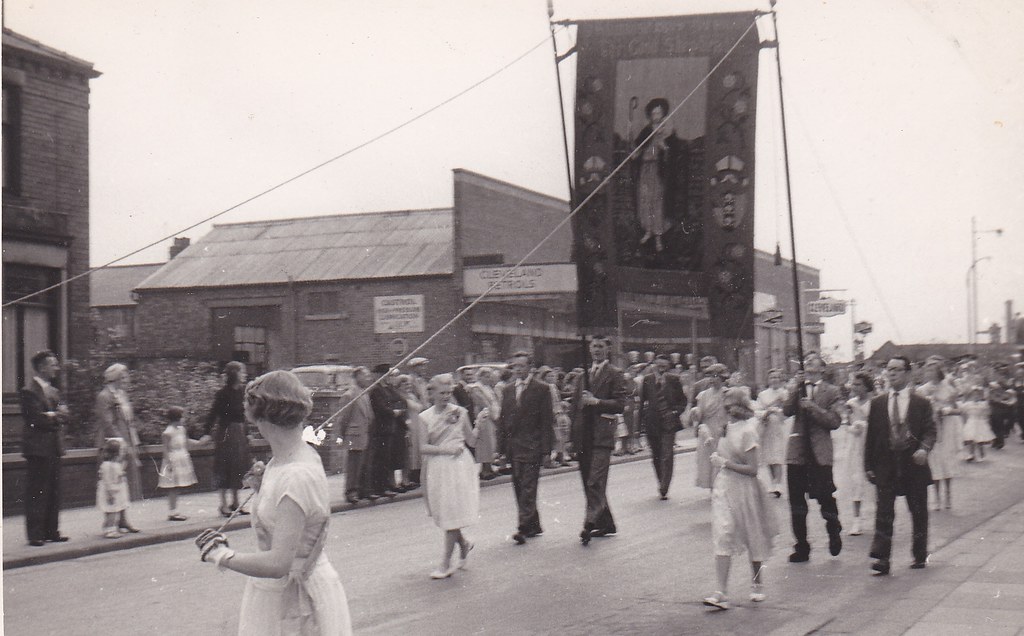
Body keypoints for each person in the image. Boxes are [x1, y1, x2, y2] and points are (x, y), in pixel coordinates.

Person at [195, 369, 353, 634]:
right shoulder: (292, 457)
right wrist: (263, 488)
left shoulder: (295, 474)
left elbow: (278, 564)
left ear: (262, 418)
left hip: (295, 600)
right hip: (282, 592)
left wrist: (221, 555)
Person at [702, 388, 777, 610]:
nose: (727, 409)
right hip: (724, 487)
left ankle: (757, 584)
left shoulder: (748, 431)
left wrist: (724, 463)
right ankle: (721, 592)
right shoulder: (725, 428)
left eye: (731, 405)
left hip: (745, 488)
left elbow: (753, 469)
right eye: (725, 405)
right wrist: (708, 442)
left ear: (741, 407)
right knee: (723, 533)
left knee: (752, 535)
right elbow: (721, 453)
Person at [865, 356, 936, 575]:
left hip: (913, 463)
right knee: (884, 511)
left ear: (908, 373)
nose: (892, 373)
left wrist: (924, 449)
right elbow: (871, 437)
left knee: (918, 510)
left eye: (897, 369)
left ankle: (919, 554)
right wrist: (868, 465)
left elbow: (930, 430)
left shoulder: (921, 403)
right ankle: (882, 559)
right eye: (889, 369)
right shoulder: (878, 403)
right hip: (886, 464)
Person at [782, 353, 844, 563]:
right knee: (797, 502)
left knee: (825, 497)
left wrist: (814, 407)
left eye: (812, 363)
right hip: (798, 452)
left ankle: (833, 531)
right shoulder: (797, 388)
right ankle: (801, 546)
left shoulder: (833, 391)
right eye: (806, 363)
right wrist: (794, 389)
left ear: (822, 369)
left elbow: (835, 421)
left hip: (819, 454)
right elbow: (787, 410)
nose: (808, 365)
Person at [417, 374, 479, 578]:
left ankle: (445, 564)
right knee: (444, 512)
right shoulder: (424, 417)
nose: (446, 397)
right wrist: (446, 450)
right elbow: (423, 447)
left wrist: (479, 424)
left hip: (460, 467)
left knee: (452, 512)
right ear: (432, 393)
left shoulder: (460, 412)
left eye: (449, 393)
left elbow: (471, 440)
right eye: (441, 393)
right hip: (438, 466)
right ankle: (464, 543)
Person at [570, 335, 628, 545]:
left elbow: (620, 404)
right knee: (589, 482)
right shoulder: (581, 376)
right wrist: (571, 439)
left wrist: (596, 402)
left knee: (595, 480)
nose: (596, 350)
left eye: (600, 346)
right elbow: (575, 408)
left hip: (602, 435)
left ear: (607, 349)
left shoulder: (615, 374)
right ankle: (607, 523)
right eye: (593, 346)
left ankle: (589, 523)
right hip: (583, 436)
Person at [498, 352, 554, 545]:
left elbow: (547, 421)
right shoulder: (507, 390)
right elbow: (503, 421)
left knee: (528, 487)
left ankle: (522, 527)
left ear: (530, 367)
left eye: (521, 366)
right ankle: (533, 525)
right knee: (519, 486)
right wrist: (501, 451)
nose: (518, 369)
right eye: (514, 366)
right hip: (514, 447)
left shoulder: (542, 389)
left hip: (533, 446)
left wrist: (547, 450)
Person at [21, 350, 71, 546]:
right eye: (53, 365)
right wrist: (54, 415)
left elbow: (64, 415)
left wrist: (52, 415)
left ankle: (52, 530)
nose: (56, 368)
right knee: (37, 490)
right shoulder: (29, 391)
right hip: (38, 448)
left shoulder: (54, 391)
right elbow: (35, 419)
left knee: (53, 490)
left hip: (53, 447)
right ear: (42, 367)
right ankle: (35, 534)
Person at [94, 363, 144, 521]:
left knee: (124, 482)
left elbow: (129, 421)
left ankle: (123, 520)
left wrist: (134, 442)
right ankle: (110, 522)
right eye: (123, 377)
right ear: (114, 378)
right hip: (113, 443)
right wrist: (121, 443)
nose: (127, 380)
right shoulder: (104, 396)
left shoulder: (122, 395)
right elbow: (108, 423)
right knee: (113, 481)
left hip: (126, 438)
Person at [202, 361, 252, 517]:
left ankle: (236, 503)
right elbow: (213, 414)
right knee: (224, 466)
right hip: (225, 433)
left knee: (238, 467)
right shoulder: (222, 394)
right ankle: (223, 505)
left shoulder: (243, 393)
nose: (244, 375)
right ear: (234, 374)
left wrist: (248, 433)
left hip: (239, 433)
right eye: (241, 372)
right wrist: (206, 432)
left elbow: (245, 416)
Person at [638, 353, 687, 500]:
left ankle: (664, 487)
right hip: (652, 423)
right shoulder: (647, 380)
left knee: (667, 455)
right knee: (656, 456)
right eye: (659, 366)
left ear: (668, 366)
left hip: (669, 423)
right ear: (654, 365)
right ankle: (661, 481)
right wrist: (639, 427)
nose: (661, 369)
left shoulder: (674, 380)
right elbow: (642, 403)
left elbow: (682, 401)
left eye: (664, 366)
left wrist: (674, 412)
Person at [916, 356, 962, 511]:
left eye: (932, 369)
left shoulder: (949, 388)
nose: (929, 372)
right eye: (927, 370)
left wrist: (947, 410)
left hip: (947, 428)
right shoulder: (922, 390)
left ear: (939, 371)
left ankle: (948, 494)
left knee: (946, 461)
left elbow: (958, 409)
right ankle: (936, 497)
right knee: (934, 463)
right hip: (932, 430)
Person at [337, 367, 376, 503]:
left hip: (364, 433)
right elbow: (343, 418)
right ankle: (350, 491)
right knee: (353, 465)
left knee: (363, 464)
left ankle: (361, 490)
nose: (368, 378)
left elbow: (369, 414)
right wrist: (343, 435)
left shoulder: (364, 393)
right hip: (354, 435)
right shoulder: (349, 395)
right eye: (365, 376)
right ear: (357, 377)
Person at [842, 372, 874, 536]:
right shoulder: (850, 403)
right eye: (853, 384)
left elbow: (879, 425)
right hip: (855, 446)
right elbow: (846, 423)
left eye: (858, 384)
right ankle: (856, 520)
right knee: (856, 480)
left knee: (873, 481)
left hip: (871, 446)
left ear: (866, 386)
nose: (854, 387)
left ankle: (878, 517)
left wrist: (864, 425)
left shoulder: (874, 403)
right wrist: (852, 428)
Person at [369, 364, 406, 497]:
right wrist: (393, 412)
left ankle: (385, 485)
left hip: (389, 428)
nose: (389, 377)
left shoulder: (387, 389)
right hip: (381, 428)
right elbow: (380, 408)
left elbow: (399, 400)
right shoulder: (376, 390)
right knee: (380, 459)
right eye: (386, 374)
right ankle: (379, 487)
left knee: (386, 459)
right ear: (380, 375)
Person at [691, 363, 729, 491]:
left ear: (722, 377)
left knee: (722, 456)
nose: (712, 380)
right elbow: (700, 413)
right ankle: (713, 486)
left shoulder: (727, 393)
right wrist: (695, 413)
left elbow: (732, 412)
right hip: (708, 430)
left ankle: (721, 486)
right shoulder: (704, 395)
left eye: (715, 376)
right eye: (710, 377)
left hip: (723, 428)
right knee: (708, 459)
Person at [158, 406, 198, 521]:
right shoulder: (167, 433)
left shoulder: (182, 429)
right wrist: (169, 464)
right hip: (173, 459)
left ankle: (175, 510)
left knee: (177, 486)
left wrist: (200, 442)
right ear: (178, 418)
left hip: (182, 458)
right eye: (183, 417)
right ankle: (172, 512)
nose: (184, 419)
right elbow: (165, 449)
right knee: (173, 486)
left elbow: (187, 442)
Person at [755, 368, 788, 498]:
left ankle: (778, 484)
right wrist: (766, 413)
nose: (775, 380)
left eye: (777, 377)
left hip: (780, 427)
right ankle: (773, 482)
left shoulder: (785, 394)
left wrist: (778, 411)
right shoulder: (763, 395)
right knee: (769, 456)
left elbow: (788, 411)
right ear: (768, 380)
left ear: (780, 379)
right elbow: (757, 410)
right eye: (772, 377)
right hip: (767, 427)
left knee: (777, 455)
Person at [469, 366, 501, 480]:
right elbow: (484, 403)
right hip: (484, 417)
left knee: (491, 442)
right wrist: (494, 416)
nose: (488, 379)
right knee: (485, 443)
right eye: (486, 376)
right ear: (481, 376)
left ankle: (489, 467)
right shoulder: (476, 388)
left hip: (491, 416)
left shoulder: (487, 387)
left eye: (490, 377)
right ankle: (484, 470)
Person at [97, 438, 132, 539]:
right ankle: (110, 530)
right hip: (111, 492)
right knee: (112, 512)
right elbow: (108, 480)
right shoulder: (110, 466)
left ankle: (108, 527)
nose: (123, 454)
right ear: (116, 453)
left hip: (113, 491)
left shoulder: (112, 465)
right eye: (121, 451)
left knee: (111, 511)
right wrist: (111, 494)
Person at [396, 374, 424, 491]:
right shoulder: (400, 397)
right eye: (404, 383)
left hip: (417, 424)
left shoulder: (411, 395)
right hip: (409, 425)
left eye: (408, 383)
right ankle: (406, 479)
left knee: (416, 450)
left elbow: (422, 406)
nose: (407, 386)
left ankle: (415, 476)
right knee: (409, 452)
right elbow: (415, 408)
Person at [961, 386, 994, 461]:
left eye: (978, 395)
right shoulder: (968, 404)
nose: (976, 397)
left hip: (980, 422)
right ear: (971, 396)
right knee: (970, 439)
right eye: (974, 395)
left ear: (981, 396)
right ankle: (971, 454)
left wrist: (986, 418)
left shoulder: (983, 404)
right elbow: (962, 411)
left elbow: (988, 413)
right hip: (971, 422)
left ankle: (980, 454)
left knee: (980, 440)